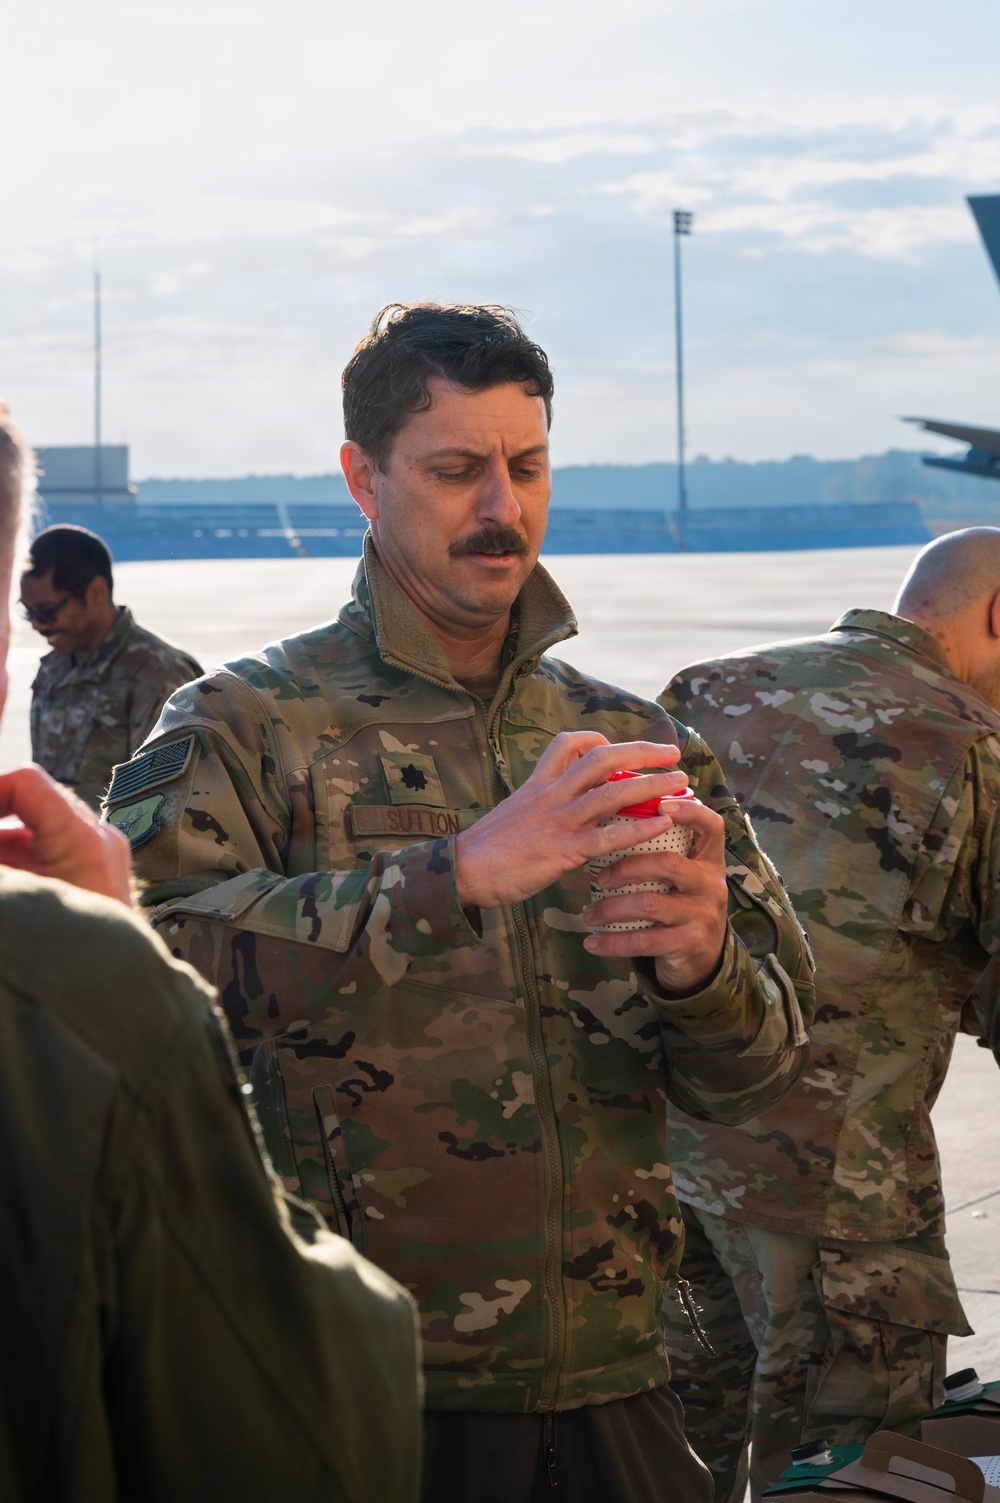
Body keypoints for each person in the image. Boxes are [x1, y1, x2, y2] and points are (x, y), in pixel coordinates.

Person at [113, 302, 815, 1503]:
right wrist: (451, 877)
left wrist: (704, 971)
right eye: (454, 471)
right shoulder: (243, 726)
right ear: (363, 478)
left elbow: (762, 1074)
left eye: (526, 466)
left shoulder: (631, 740)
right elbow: (139, 990)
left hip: (616, 1385)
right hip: (351, 1391)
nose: (502, 506)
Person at [0, 403, 421, 1502]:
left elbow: (186, 843)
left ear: (95, 593)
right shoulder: (53, 678)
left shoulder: (164, 678)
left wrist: (117, 939)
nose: (39, 632)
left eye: (48, 611)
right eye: (20, 619)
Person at [658, 528, 1000, 1503]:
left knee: (668, 1459)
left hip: (664, 1170)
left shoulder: (702, 692)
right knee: (850, 1475)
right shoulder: (974, 746)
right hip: (841, 1215)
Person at [21, 523, 202, 808]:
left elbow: (166, 802)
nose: (37, 625)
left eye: (47, 611)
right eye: (28, 612)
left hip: (116, 838)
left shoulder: (159, 672)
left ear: (96, 591)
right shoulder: (56, 665)